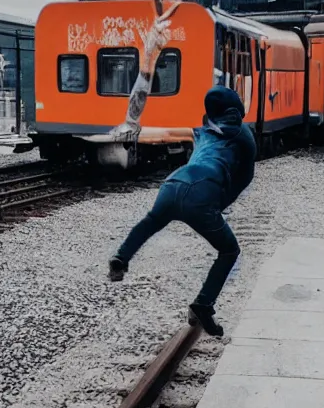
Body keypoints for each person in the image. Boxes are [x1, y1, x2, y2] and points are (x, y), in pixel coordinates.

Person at [107, 86, 256, 337]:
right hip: (201, 192)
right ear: (236, 110)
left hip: (172, 184)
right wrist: (218, 205)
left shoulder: (202, 132)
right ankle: (203, 305)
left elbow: (176, 134)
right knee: (230, 250)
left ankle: (121, 258)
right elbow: (244, 178)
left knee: (151, 221)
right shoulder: (242, 133)